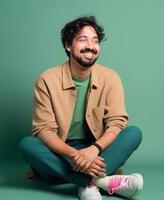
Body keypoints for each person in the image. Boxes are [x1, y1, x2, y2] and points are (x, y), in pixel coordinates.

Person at [19, 16, 143, 200]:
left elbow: (117, 123)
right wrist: (76, 155)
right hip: (62, 152)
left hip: (99, 149)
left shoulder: (111, 78)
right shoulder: (47, 80)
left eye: (95, 41)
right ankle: (101, 182)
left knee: (133, 133)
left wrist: (93, 149)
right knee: (27, 145)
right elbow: (44, 130)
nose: (90, 46)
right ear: (68, 46)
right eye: (83, 39)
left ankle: (84, 181)